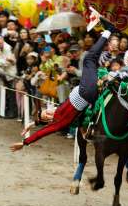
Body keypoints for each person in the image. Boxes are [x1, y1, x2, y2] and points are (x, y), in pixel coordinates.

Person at [10, 18, 117, 151]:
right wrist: (24, 143)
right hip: (86, 92)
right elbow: (41, 133)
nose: (46, 112)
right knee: (89, 58)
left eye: (44, 112)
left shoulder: (58, 111)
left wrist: (32, 123)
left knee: (92, 61)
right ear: (49, 120)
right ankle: (109, 31)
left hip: (87, 91)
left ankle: (109, 38)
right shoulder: (58, 122)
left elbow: (42, 120)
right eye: (46, 115)